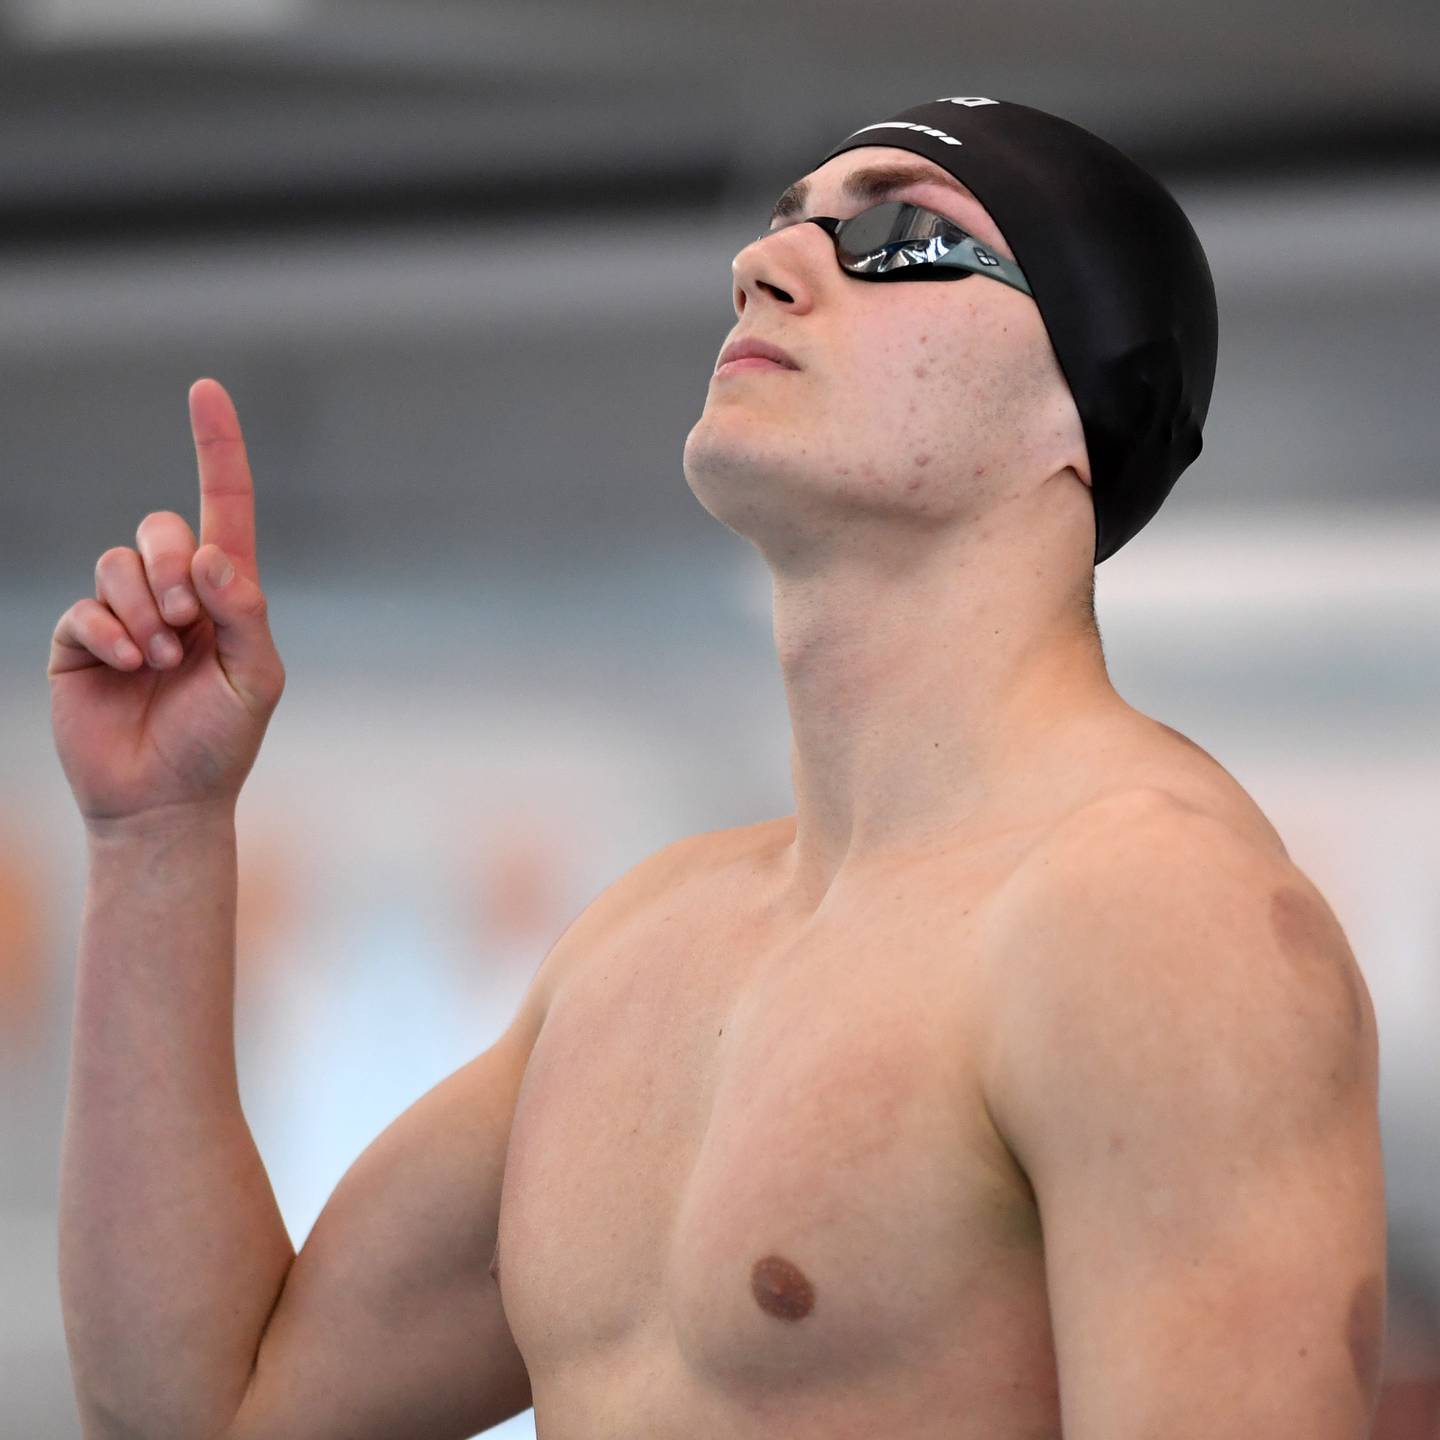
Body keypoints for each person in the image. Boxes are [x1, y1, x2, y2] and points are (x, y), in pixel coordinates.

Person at [50, 96, 1386, 1439]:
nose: (769, 263)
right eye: (785, 222)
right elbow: (208, 1406)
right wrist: (156, 835)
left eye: (900, 229)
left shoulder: (1155, 920)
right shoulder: (647, 949)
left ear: (1082, 408)